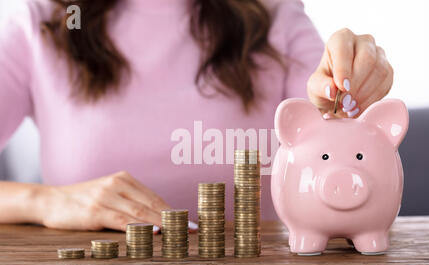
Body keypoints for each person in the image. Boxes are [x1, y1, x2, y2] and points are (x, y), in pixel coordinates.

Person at [0, 0, 393, 232]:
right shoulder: (42, 19)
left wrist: (348, 85)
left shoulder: (272, 13)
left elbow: (329, 113)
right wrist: (43, 201)